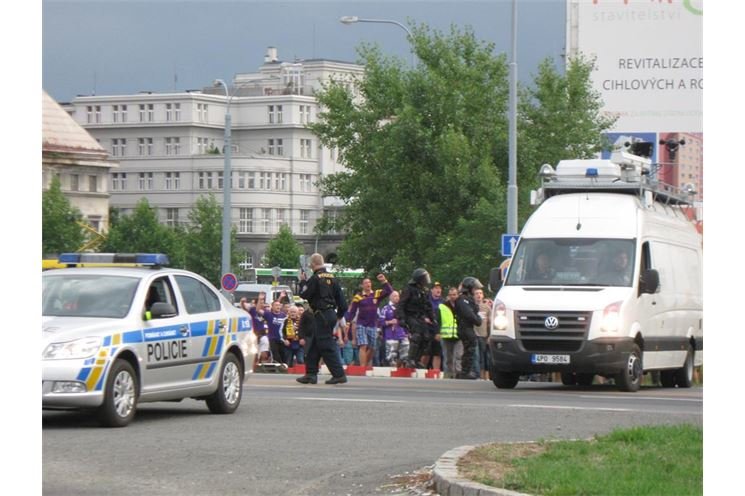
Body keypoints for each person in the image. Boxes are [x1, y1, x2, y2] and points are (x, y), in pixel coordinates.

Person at [296, 253, 348, 385]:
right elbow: (343, 303)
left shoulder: (315, 278)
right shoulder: (333, 278)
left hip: (321, 314)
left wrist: (302, 281)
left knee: (326, 345)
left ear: (312, 265)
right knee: (314, 344)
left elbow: (304, 294)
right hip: (330, 314)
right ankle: (311, 374)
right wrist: (338, 316)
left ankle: (339, 374)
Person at [345, 274, 393, 367]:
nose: (368, 284)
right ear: (362, 285)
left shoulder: (376, 294)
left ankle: (363, 364)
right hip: (361, 324)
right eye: (366, 283)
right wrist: (348, 323)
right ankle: (363, 367)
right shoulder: (358, 297)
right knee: (363, 345)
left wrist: (384, 281)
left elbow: (389, 291)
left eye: (369, 282)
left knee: (373, 348)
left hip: (373, 324)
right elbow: (352, 311)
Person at [396, 268, 437, 369]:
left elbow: (428, 306)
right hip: (410, 316)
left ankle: (417, 359)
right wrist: (401, 318)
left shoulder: (424, 291)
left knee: (426, 338)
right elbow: (401, 305)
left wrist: (432, 317)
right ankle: (410, 359)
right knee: (417, 336)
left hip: (420, 317)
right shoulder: (409, 290)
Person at [454, 277, 483, 380]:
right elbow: (470, 314)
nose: (475, 291)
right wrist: (477, 319)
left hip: (468, 327)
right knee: (469, 348)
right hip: (464, 327)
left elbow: (474, 313)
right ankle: (465, 371)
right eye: (474, 288)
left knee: (469, 348)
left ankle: (465, 370)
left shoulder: (468, 300)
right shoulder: (462, 300)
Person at [379, 291, 409, 368]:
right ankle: (391, 371)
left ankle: (402, 369)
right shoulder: (386, 308)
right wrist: (390, 322)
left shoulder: (402, 308)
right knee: (391, 356)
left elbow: (406, 321)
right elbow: (380, 322)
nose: (397, 298)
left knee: (405, 353)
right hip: (390, 334)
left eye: (398, 296)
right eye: (395, 296)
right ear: (390, 297)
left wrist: (407, 332)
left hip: (402, 333)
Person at [439, 287, 462, 379]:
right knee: (448, 358)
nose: (452, 297)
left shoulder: (461, 305)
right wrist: (438, 332)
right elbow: (438, 320)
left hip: (459, 335)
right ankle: (448, 376)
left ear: (458, 295)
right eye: (450, 295)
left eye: (454, 295)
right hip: (446, 335)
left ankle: (458, 374)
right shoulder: (443, 306)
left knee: (458, 356)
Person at [473, 288, 491, 380]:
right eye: (476, 293)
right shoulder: (471, 306)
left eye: (480, 293)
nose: (478, 295)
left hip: (484, 335)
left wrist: (489, 336)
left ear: (483, 295)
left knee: (484, 357)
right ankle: (478, 375)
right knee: (476, 356)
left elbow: (490, 323)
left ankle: (485, 376)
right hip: (474, 334)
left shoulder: (487, 308)